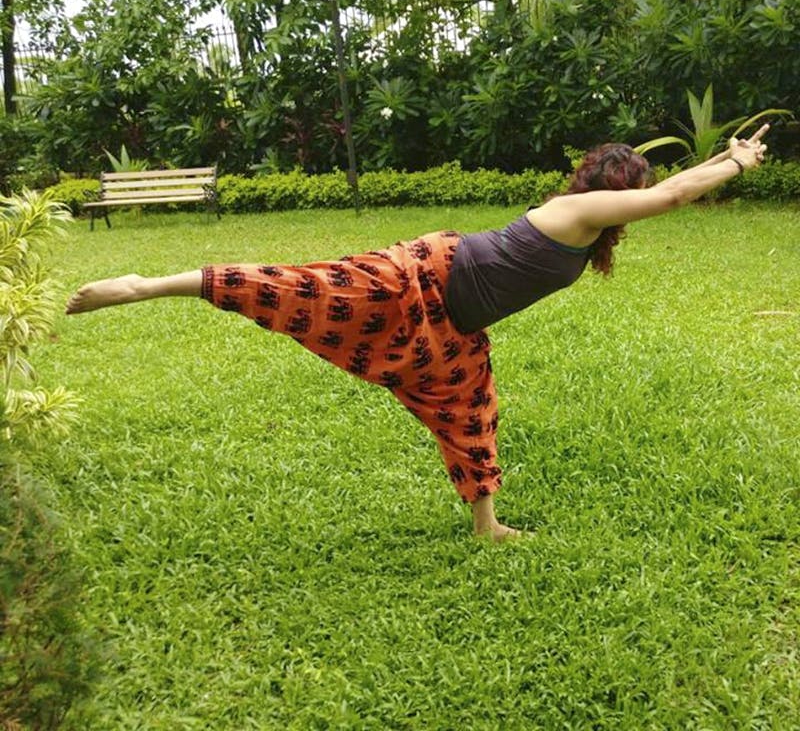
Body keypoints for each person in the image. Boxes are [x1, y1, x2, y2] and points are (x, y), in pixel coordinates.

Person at [66, 126, 769, 542]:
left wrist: (731, 154)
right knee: (294, 288)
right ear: (614, 188)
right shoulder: (578, 211)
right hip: (415, 279)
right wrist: (735, 165)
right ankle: (143, 286)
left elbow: (671, 187)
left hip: (453, 328)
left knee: (471, 413)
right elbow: (672, 194)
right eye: (632, 189)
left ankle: (487, 526)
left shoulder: (593, 223)